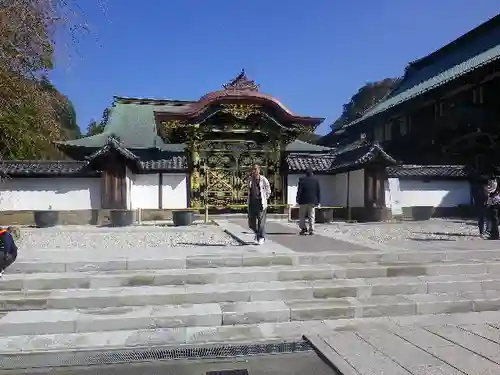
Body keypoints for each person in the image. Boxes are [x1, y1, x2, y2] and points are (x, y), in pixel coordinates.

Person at [247, 164, 271, 245]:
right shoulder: (250, 179)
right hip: (252, 203)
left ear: (259, 170)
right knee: (251, 223)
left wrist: (265, 198)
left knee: (261, 223)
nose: (254, 171)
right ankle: (257, 234)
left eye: (256, 169)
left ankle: (261, 237)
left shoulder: (263, 179)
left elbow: (268, 189)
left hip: (261, 203)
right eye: (253, 169)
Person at [296, 168, 321, 235]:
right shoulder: (316, 180)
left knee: (302, 216)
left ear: (305, 173)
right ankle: (311, 230)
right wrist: (318, 201)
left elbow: (299, 191)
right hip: (313, 200)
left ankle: (303, 228)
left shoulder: (302, 180)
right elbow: (318, 191)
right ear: (312, 173)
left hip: (303, 200)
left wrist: (297, 199)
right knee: (311, 216)